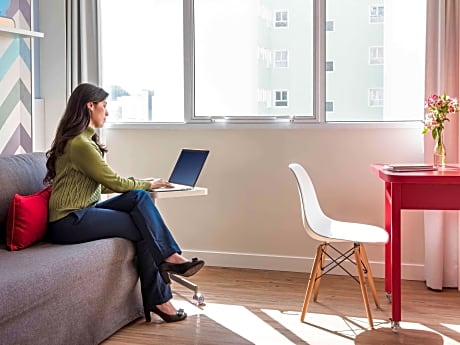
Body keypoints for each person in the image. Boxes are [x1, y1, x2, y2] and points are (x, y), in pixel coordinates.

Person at [44, 83, 204, 323]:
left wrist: (144, 184)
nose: (106, 112)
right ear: (90, 106)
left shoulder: (84, 142)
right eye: (104, 106)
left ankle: (168, 268)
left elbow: (103, 184)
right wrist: (147, 184)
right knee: (143, 224)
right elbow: (115, 183)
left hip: (83, 213)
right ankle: (163, 288)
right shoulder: (80, 144)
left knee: (138, 199)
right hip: (69, 221)